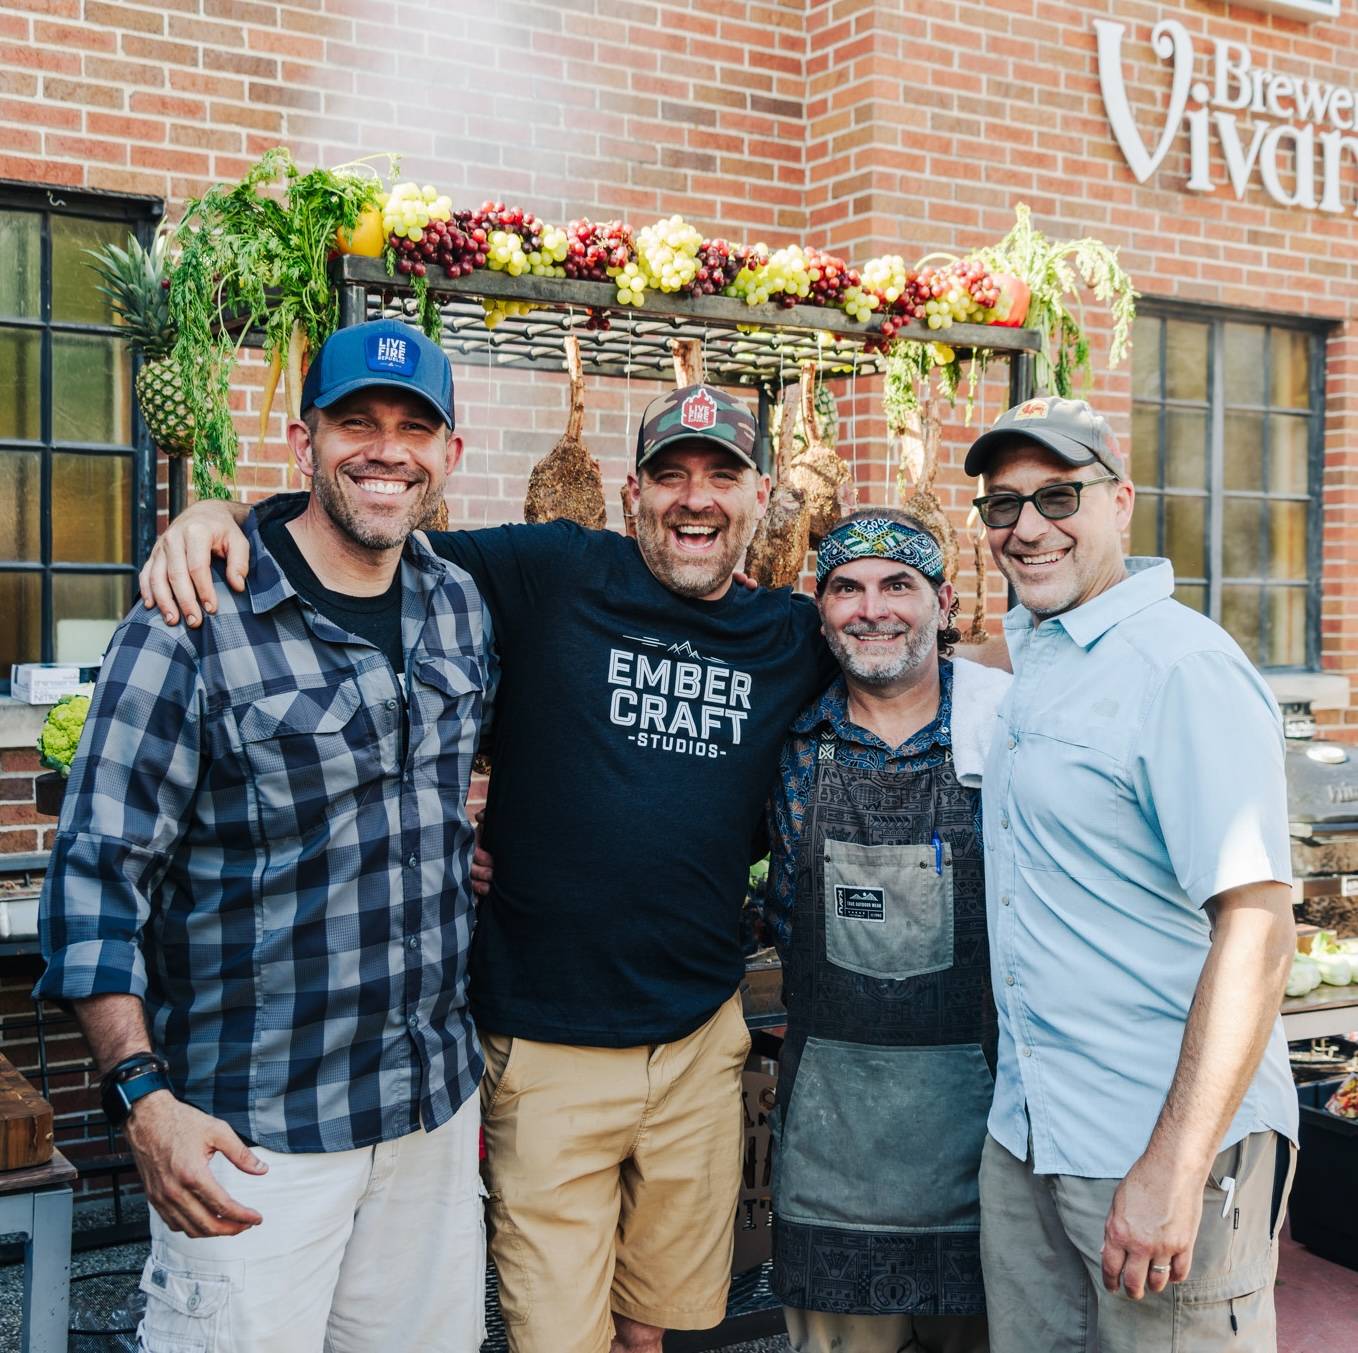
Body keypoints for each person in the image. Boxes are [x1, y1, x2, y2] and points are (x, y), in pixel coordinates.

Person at [136, 379, 842, 1353]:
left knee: (653, 1330)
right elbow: (364, 533)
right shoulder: (550, 569)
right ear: (630, 491)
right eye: (668, 475)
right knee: (559, 1337)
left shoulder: (790, 639)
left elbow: (907, 660)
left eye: (720, 476)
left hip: (699, 1039)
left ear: (759, 495)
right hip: (545, 1044)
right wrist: (222, 515)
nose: (694, 499)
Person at [37, 319, 496, 1353]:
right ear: (303, 443)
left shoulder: (459, 608)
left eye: (414, 427)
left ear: (449, 456)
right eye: (355, 423)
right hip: (253, 1140)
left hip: (427, 1118)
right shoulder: (192, 618)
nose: (386, 449)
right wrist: (141, 1098)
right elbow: (97, 875)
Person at [962, 396, 1298, 1353]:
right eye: (1002, 505)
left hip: (1159, 1144)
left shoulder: (1181, 668)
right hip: (1034, 1133)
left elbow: (1259, 927)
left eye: (1058, 496)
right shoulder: (1045, 658)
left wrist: (1174, 1166)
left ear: (1122, 502)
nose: (1027, 527)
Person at [764, 510, 1008, 1353]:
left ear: (943, 600)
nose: (873, 608)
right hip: (835, 1151)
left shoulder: (1005, 737)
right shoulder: (788, 743)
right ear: (820, 608)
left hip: (982, 1148)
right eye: (847, 588)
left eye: (897, 584)